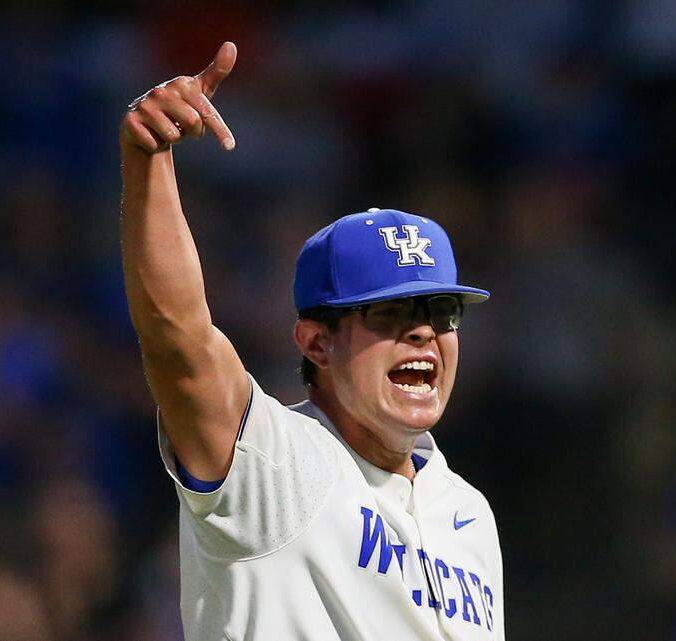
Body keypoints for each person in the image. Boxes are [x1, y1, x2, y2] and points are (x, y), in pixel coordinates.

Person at [119, 42, 505, 640]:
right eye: (390, 313)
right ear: (316, 344)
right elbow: (178, 342)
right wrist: (149, 164)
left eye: (440, 309)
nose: (424, 330)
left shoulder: (470, 515)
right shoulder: (273, 464)